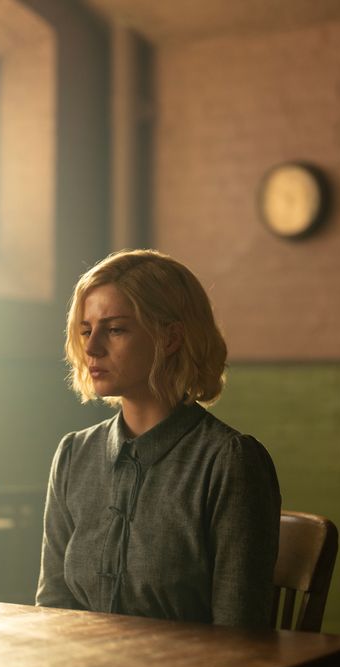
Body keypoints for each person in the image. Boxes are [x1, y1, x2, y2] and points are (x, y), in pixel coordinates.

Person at [35, 249, 281, 629]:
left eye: (114, 329)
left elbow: (238, 634)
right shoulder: (74, 455)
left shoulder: (229, 461)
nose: (92, 347)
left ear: (170, 338)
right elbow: (52, 610)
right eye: (86, 330)